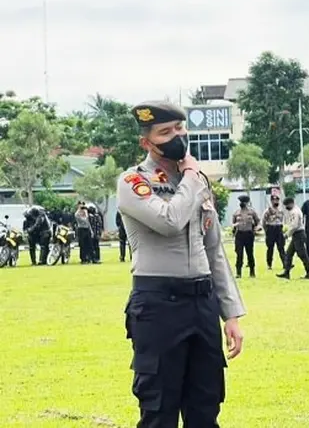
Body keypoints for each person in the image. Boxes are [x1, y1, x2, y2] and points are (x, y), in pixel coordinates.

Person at [117, 100, 245, 427]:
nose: (177, 136)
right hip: (159, 305)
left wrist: (230, 314)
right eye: (165, 132)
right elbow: (170, 220)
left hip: (202, 303)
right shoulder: (134, 182)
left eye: (179, 128)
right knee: (159, 409)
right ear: (146, 142)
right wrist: (191, 176)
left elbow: (214, 249)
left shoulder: (197, 182)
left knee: (206, 406)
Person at [277, 197, 309, 280]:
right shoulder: (295, 210)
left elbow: (294, 225)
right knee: (289, 253)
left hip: (298, 234)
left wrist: (287, 234)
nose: (286, 207)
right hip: (296, 235)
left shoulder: (295, 212)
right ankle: (286, 272)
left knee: (302, 255)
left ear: (291, 203)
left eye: (287, 205)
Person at [232, 195, 259, 279]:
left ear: (246, 203)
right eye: (240, 202)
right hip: (239, 234)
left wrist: (256, 229)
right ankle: (238, 273)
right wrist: (235, 225)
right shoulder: (236, 212)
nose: (241, 203)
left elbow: (258, 221)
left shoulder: (252, 212)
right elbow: (232, 224)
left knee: (250, 253)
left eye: (243, 202)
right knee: (239, 254)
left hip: (249, 234)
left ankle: (252, 271)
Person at [262, 193, 287, 270]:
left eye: (277, 200)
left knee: (281, 247)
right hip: (271, 229)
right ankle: (269, 265)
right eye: (274, 200)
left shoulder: (281, 210)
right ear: (271, 201)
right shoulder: (268, 211)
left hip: (279, 229)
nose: (276, 201)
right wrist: (267, 230)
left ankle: (285, 263)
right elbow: (263, 221)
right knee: (270, 248)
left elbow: (283, 220)